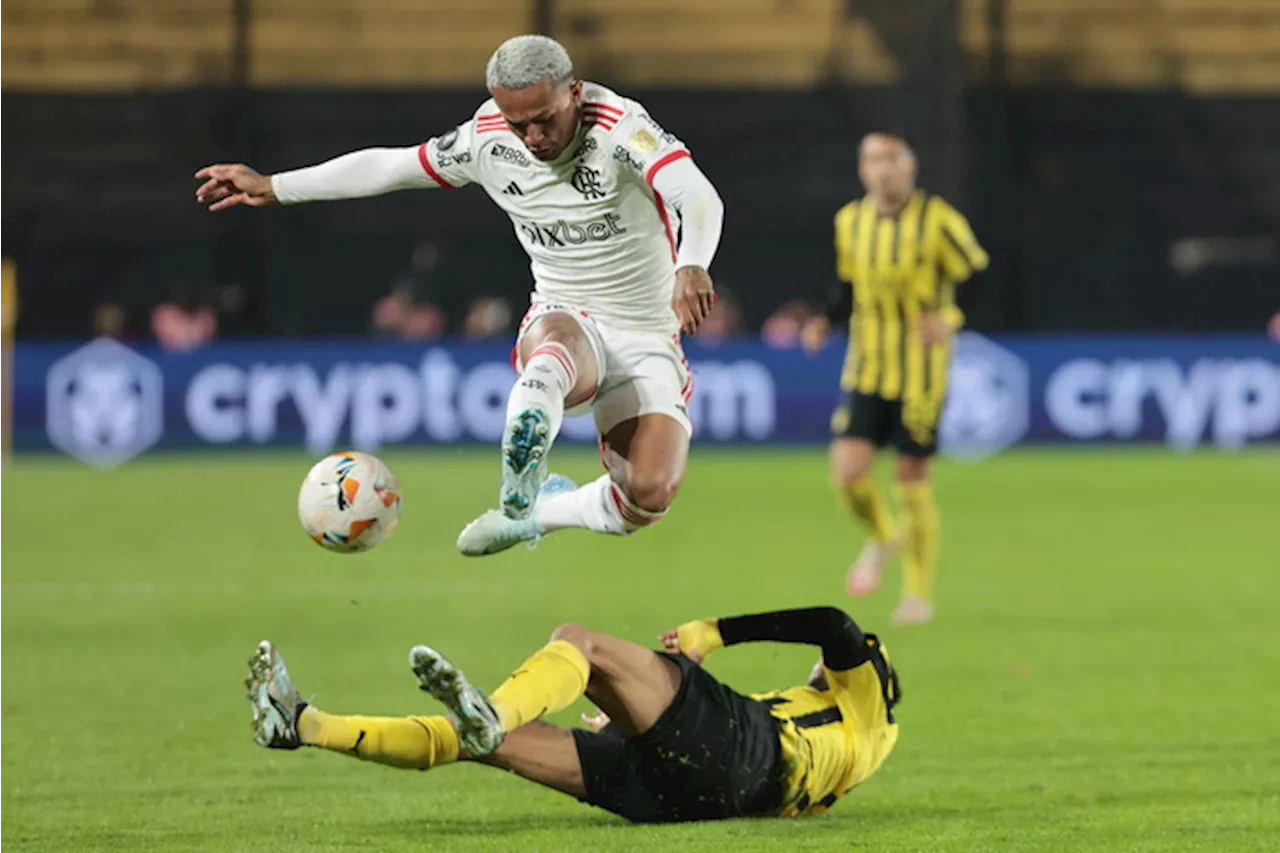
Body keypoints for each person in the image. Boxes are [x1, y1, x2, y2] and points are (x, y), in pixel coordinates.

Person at [195, 35, 723, 557]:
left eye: (545, 118)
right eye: (520, 124)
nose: (535, 137)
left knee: (648, 496)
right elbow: (393, 167)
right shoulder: (486, 138)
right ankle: (527, 430)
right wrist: (275, 185)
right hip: (566, 311)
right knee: (555, 352)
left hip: (646, 329)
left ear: (574, 92)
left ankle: (536, 515)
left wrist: (693, 262)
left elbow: (696, 194)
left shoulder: (619, 128)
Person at [245, 605, 901, 823]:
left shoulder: (872, 710)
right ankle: (300, 722)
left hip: (747, 753)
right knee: (481, 743)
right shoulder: (836, 747)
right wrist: (626, 728)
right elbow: (703, 746)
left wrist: (713, 630)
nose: (823, 669)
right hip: (695, 796)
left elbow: (836, 625)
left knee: (576, 642)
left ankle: (495, 711)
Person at [801, 132, 988, 626]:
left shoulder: (939, 220)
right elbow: (846, 284)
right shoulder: (851, 221)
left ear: (911, 168)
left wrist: (948, 318)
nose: (883, 170)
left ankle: (917, 594)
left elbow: (977, 274)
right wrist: (825, 319)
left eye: (892, 160)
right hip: (867, 365)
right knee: (846, 475)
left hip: (921, 373)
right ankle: (886, 538)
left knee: (911, 483)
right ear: (863, 170)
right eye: (873, 160)